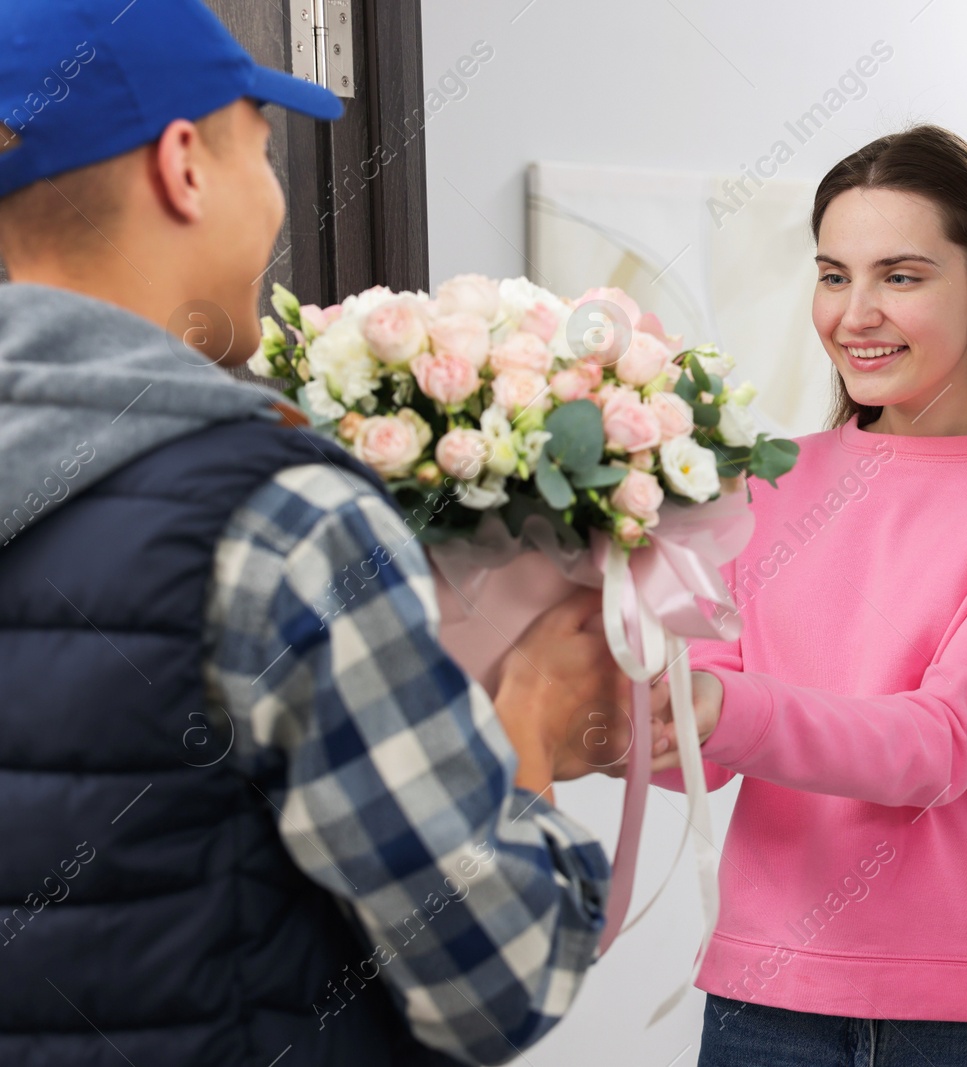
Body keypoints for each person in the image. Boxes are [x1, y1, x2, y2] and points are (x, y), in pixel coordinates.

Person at [0, 2, 624, 1064]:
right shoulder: (273, 516)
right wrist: (527, 721)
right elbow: (499, 978)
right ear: (183, 164)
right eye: (265, 150)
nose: (279, 202)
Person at [650, 125, 967, 1066]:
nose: (855, 313)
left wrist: (715, 706)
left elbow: (944, 741)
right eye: (834, 275)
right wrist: (602, 704)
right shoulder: (768, 481)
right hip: (767, 1001)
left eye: (901, 276)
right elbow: (694, 748)